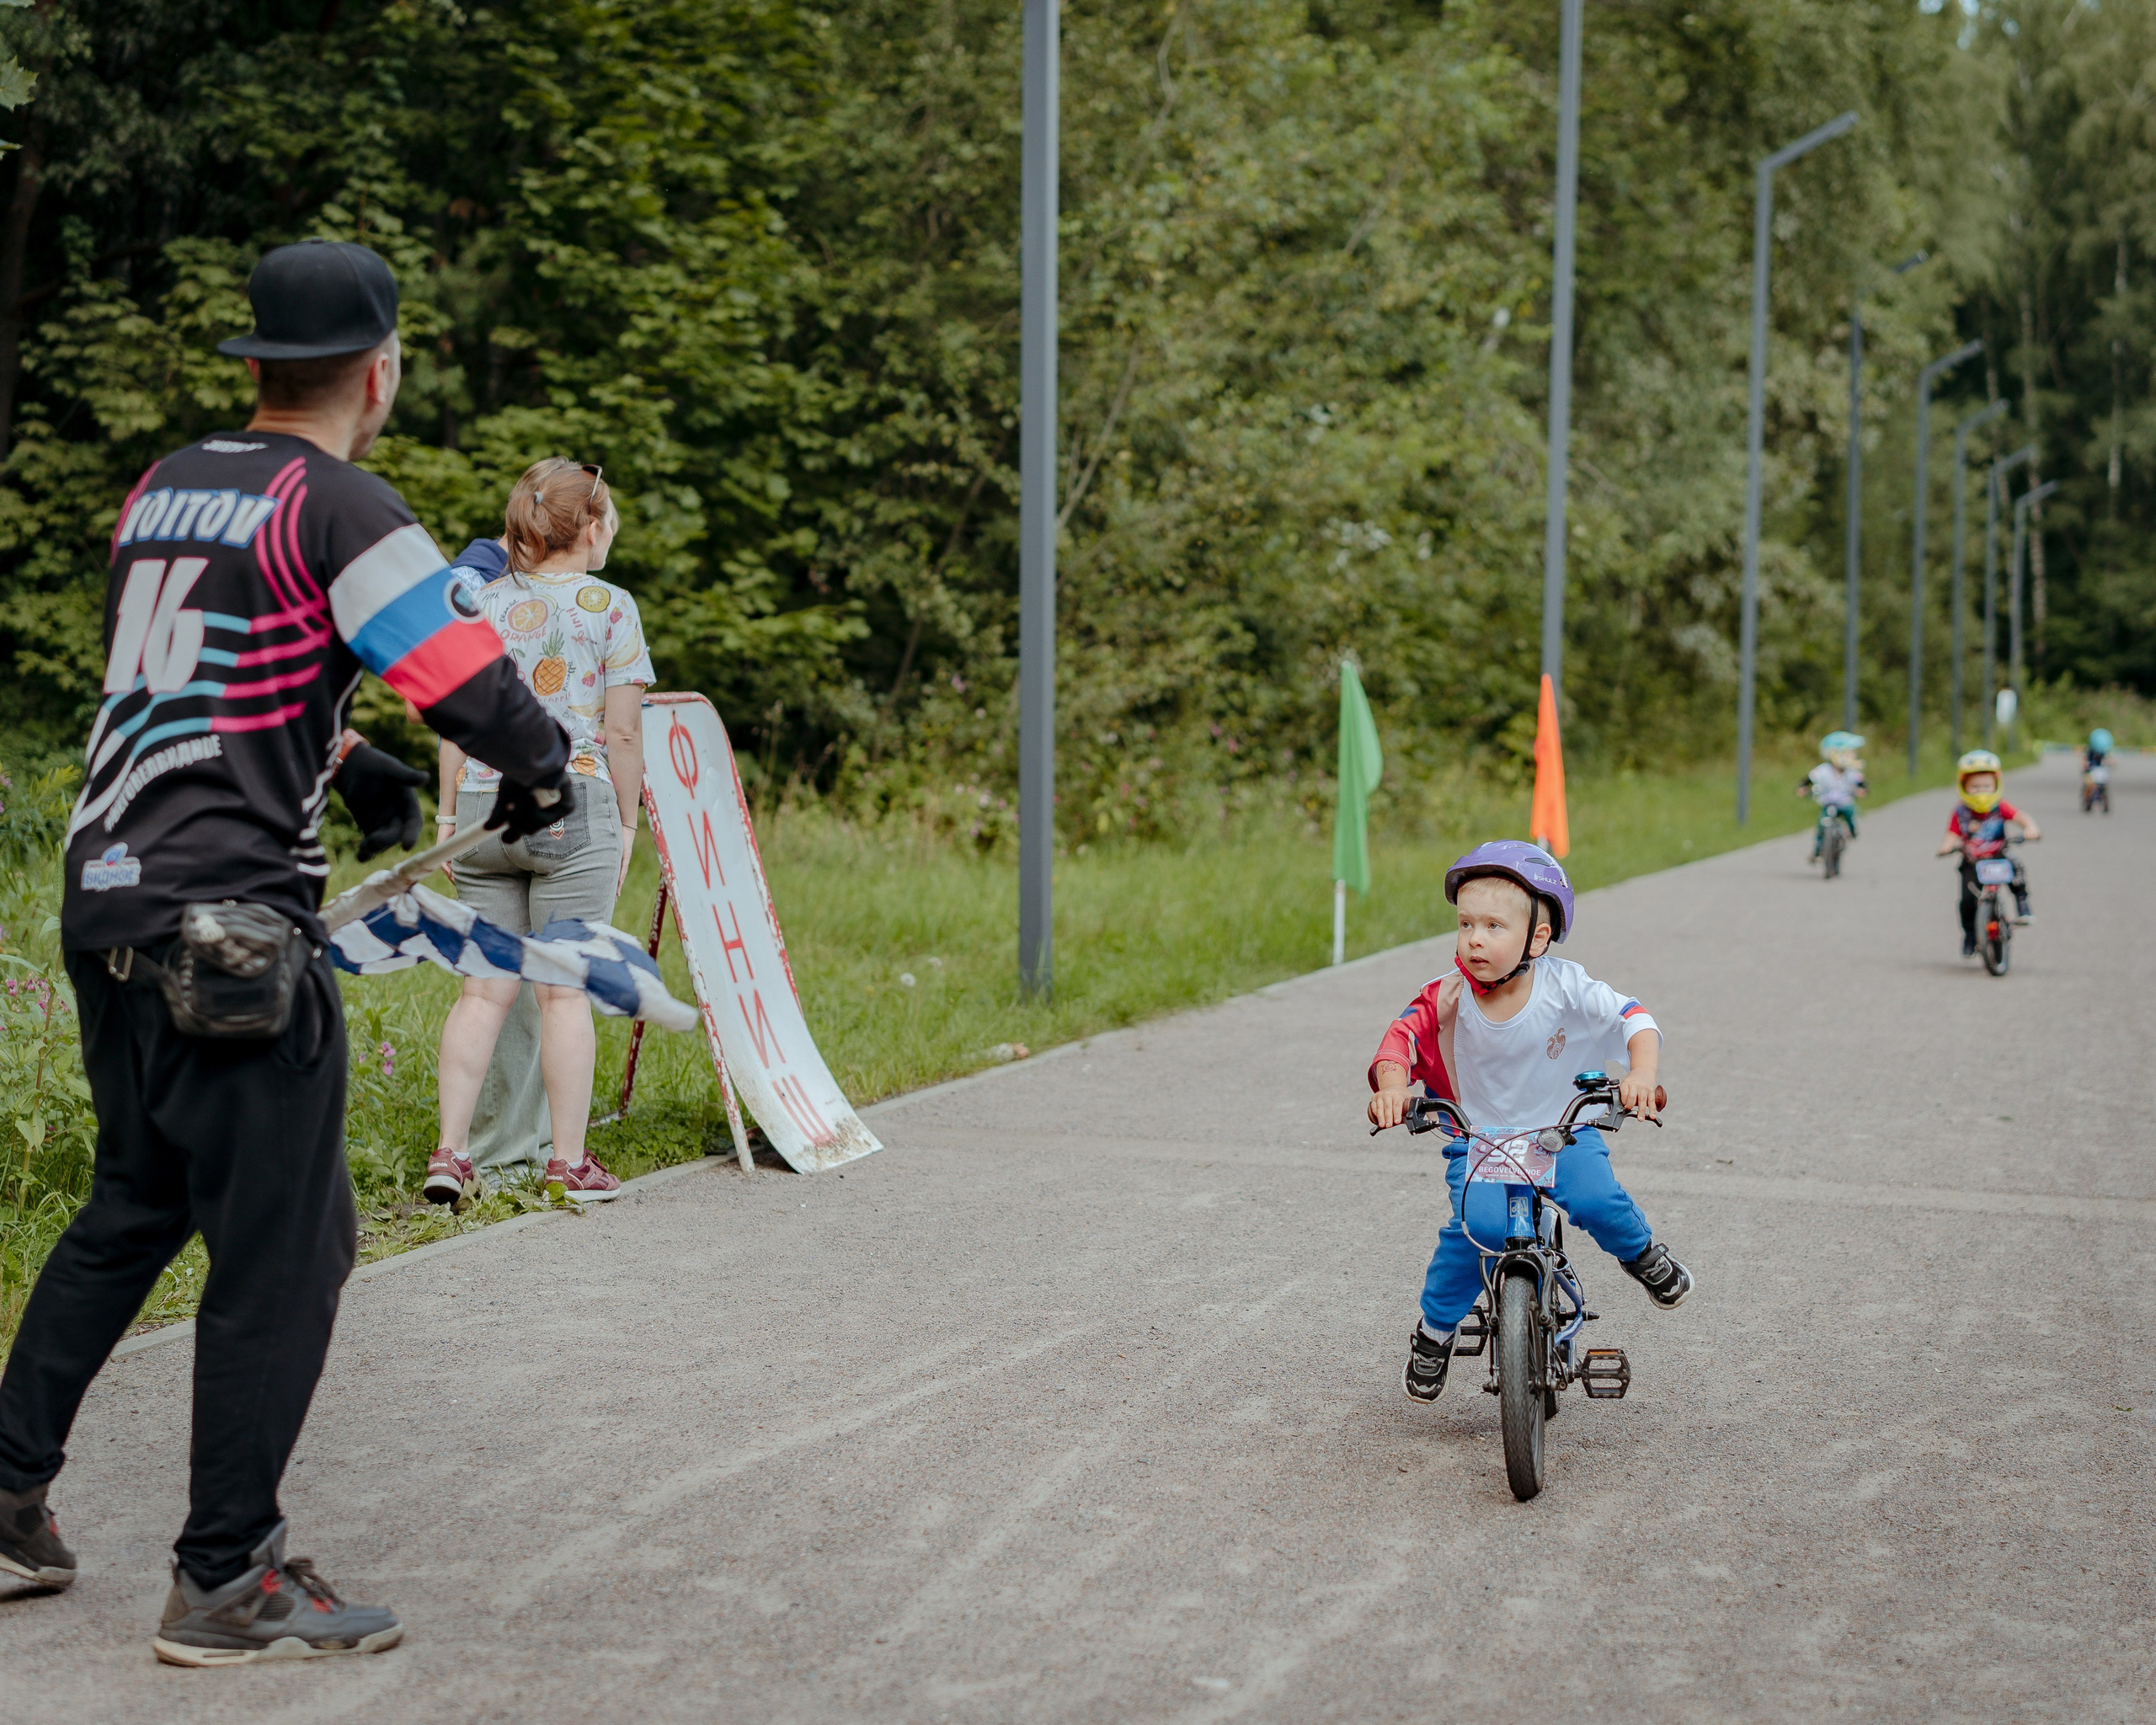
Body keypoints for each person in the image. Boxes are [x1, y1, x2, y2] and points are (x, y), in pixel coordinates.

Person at [0, 241, 571, 1662]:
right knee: (289, 1247)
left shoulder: (165, 486)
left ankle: (6, 1498)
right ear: (379, 373)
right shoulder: (343, 499)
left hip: (111, 895)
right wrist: (543, 759)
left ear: (256, 366)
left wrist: (352, 756)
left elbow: (204, 676)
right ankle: (226, 1573)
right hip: (236, 928)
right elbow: (468, 682)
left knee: (135, 1197)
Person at [1365, 841, 1694, 1405]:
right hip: (1480, 1140)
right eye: (1466, 923)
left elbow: (1633, 1018)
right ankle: (1436, 1332)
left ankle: (1641, 1253)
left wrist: (1641, 1073)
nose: (1474, 938)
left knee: (1595, 1198)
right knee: (1476, 1233)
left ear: (1537, 938)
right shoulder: (1447, 995)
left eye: (1494, 925)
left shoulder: (1565, 987)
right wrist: (1394, 1089)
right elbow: (1403, 1039)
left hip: (1560, 1132)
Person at [422, 459, 651, 1210]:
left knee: (483, 993)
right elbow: (620, 733)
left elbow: (457, 714)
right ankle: (570, 1163)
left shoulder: (480, 602)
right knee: (563, 993)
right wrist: (624, 822)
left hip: (486, 809)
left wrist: (449, 815)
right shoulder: (612, 607)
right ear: (590, 527)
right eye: (609, 516)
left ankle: (453, 1155)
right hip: (570, 806)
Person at [1935, 750, 2041, 952]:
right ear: (1964, 786)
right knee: (1967, 901)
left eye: (1986, 786)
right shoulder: (1960, 812)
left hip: (1998, 854)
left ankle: (2022, 903)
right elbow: (1952, 833)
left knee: (2016, 870)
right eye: (1975, 787)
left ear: (1996, 785)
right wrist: (1946, 845)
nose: (1981, 791)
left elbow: (2021, 817)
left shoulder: (2000, 807)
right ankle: (1970, 935)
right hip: (1972, 860)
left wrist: (2030, 828)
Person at [1799, 729, 1868, 861]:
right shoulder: (1824, 770)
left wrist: (1862, 790)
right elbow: (1811, 778)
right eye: (1849, 753)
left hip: (1844, 801)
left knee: (1849, 812)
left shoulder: (1850, 772)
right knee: (1822, 825)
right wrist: (1803, 787)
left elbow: (1861, 782)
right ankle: (1818, 850)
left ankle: (1853, 830)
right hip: (1828, 802)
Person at [2082, 727, 2113, 814]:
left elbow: (2111, 761)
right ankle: (2088, 802)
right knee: (2089, 786)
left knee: (2103, 788)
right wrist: (2085, 765)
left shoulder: (2105, 752)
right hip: (2091, 771)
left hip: (2101, 772)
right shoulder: (2090, 751)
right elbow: (2084, 760)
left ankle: (2105, 803)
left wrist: (2111, 763)